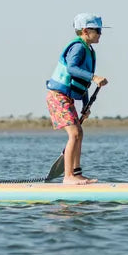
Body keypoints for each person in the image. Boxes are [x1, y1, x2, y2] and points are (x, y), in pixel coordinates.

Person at [45, 13, 109, 185]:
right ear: (86, 31)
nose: (100, 34)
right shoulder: (79, 48)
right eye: (98, 30)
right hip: (58, 96)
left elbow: (82, 82)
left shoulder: (89, 50)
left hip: (68, 97)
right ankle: (68, 177)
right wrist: (94, 77)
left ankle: (77, 173)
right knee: (74, 133)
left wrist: (85, 106)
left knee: (79, 133)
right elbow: (73, 69)